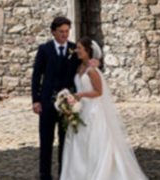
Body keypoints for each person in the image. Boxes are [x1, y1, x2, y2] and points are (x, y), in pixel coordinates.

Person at [60, 37, 148, 180]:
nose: (77, 51)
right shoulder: (79, 66)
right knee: (80, 144)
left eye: (80, 48)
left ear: (88, 50)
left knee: (94, 143)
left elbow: (98, 91)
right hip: (80, 110)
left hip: (92, 110)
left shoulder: (92, 70)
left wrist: (81, 95)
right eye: (77, 48)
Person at [32, 16, 97, 180]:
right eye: (61, 31)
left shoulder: (74, 49)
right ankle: (45, 175)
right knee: (46, 141)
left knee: (66, 142)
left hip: (68, 103)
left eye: (67, 31)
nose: (64, 35)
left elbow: (88, 60)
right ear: (53, 32)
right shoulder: (44, 49)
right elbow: (36, 76)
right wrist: (36, 100)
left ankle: (64, 174)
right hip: (47, 103)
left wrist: (98, 63)